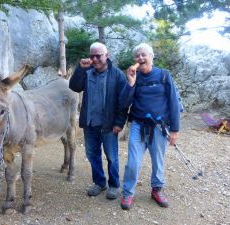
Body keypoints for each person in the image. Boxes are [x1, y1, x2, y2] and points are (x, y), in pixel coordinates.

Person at [119, 43, 180, 210]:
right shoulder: (134, 76)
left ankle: (157, 190)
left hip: (159, 127)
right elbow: (124, 103)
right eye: (137, 56)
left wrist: (175, 130)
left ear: (151, 56)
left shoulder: (164, 75)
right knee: (133, 162)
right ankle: (128, 193)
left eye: (143, 54)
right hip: (138, 125)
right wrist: (130, 83)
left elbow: (174, 103)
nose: (140, 58)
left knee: (158, 161)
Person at [69, 42, 127, 200]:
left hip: (108, 125)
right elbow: (74, 86)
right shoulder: (87, 72)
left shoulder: (117, 75)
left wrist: (119, 123)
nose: (95, 59)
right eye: (92, 55)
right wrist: (80, 68)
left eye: (98, 55)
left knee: (112, 157)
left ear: (106, 55)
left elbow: (123, 102)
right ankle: (100, 183)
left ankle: (114, 185)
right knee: (92, 155)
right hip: (90, 123)